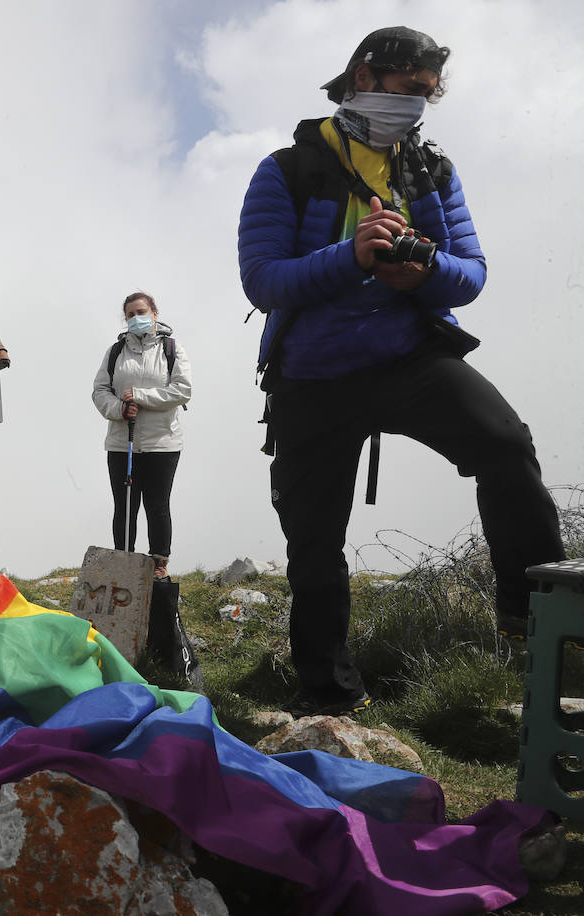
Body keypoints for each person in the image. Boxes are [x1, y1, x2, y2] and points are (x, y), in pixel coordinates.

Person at [237, 26, 564, 716]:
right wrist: (352, 258)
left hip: (408, 357)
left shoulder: (431, 171)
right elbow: (263, 281)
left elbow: (469, 274)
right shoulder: (287, 169)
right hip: (312, 376)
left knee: (506, 446)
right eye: (407, 89)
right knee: (315, 540)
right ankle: (327, 696)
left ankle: (535, 620)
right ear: (365, 75)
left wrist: (423, 272)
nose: (416, 107)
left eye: (426, 95)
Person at [91, 292, 191, 579]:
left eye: (141, 312)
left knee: (157, 505)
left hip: (163, 443)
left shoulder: (172, 348)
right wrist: (120, 409)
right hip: (123, 443)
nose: (136, 318)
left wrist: (140, 396)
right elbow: (99, 391)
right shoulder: (115, 352)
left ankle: (159, 563)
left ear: (155, 313)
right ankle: (124, 562)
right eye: (130, 314)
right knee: (124, 505)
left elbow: (182, 390)